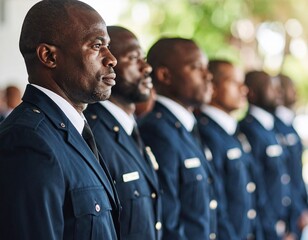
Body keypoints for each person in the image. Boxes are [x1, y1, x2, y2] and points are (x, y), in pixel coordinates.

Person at [0, 1, 121, 239]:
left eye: (108, 46)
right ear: (49, 56)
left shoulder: (73, 130)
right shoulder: (28, 141)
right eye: (97, 46)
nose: (111, 59)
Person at [138, 37, 222, 240]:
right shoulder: (157, 131)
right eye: (196, 67)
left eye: (206, 68)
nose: (207, 76)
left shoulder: (186, 127)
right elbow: (168, 221)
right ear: (165, 75)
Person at [84, 26, 162, 240]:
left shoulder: (131, 128)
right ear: (107, 64)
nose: (146, 68)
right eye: (133, 58)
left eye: (144, 58)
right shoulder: (93, 134)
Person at [195, 60, 264, 239]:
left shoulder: (233, 132)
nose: (244, 89)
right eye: (234, 82)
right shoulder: (205, 132)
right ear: (213, 87)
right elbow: (217, 205)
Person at [239, 70, 300, 240]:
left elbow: (287, 177)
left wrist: (294, 217)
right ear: (252, 93)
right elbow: (258, 186)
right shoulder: (249, 130)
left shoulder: (271, 128)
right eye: (271, 87)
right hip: (268, 229)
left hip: (286, 222)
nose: (278, 92)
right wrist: (274, 230)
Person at [274, 74, 308, 236]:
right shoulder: (274, 126)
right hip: (286, 215)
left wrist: (304, 207)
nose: (295, 92)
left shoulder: (289, 124)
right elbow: (283, 176)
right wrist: (296, 211)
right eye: (290, 88)